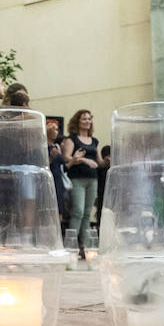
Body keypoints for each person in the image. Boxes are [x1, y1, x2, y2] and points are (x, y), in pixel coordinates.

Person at [62, 109, 102, 258]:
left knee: (87, 213)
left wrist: (107, 160)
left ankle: (85, 247)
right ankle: (71, 247)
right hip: (77, 179)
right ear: (77, 121)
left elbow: (99, 162)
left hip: (93, 179)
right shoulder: (72, 139)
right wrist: (84, 159)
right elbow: (66, 158)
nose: (87, 121)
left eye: (89, 119)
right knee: (78, 211)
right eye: (84, 119)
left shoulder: (94, 140)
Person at [46, 116, 68, 228]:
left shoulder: (57, 146)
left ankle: (57, 232)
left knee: (59, 208)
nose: (56, 132)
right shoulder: (43, 146)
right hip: (48, 179)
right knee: (47, 207)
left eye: (57, 129)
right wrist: (51, 157)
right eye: (53, 129)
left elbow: (65, 166)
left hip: (58, 179)